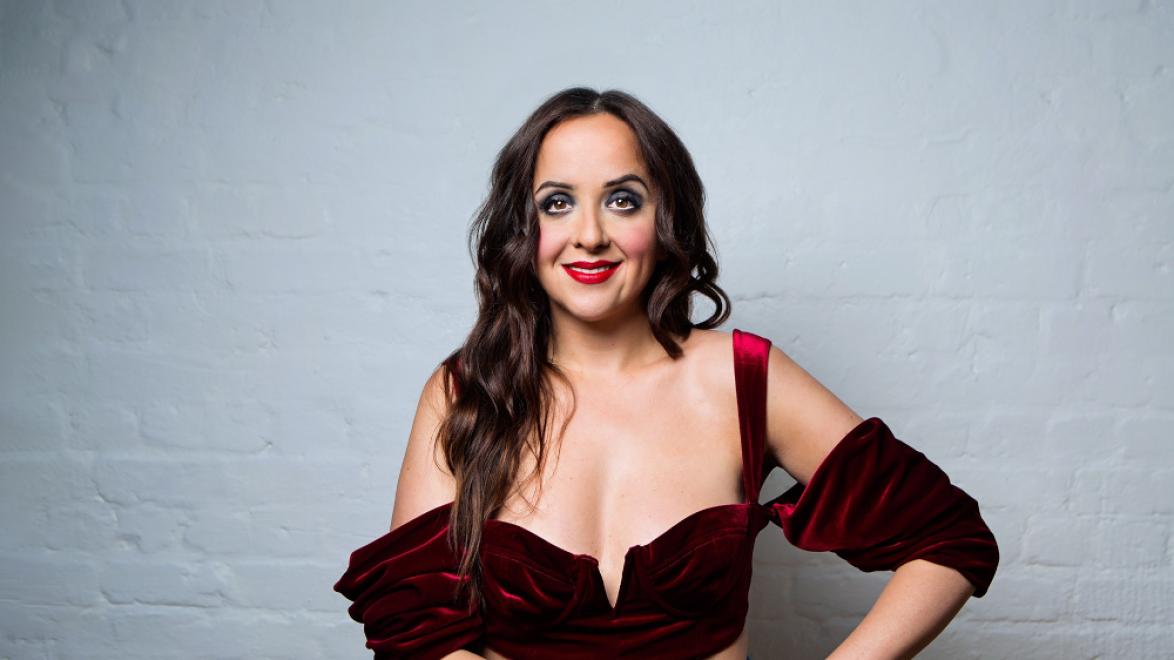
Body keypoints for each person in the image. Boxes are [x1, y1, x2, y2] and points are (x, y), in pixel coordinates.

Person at [334, 87, 999, 659]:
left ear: (665, 217)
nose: (589, 234)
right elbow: (411, 627)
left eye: (623, 200)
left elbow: (950, 541)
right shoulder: (464, 391)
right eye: (557, 202)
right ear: (522, 227)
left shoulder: (744, 379)